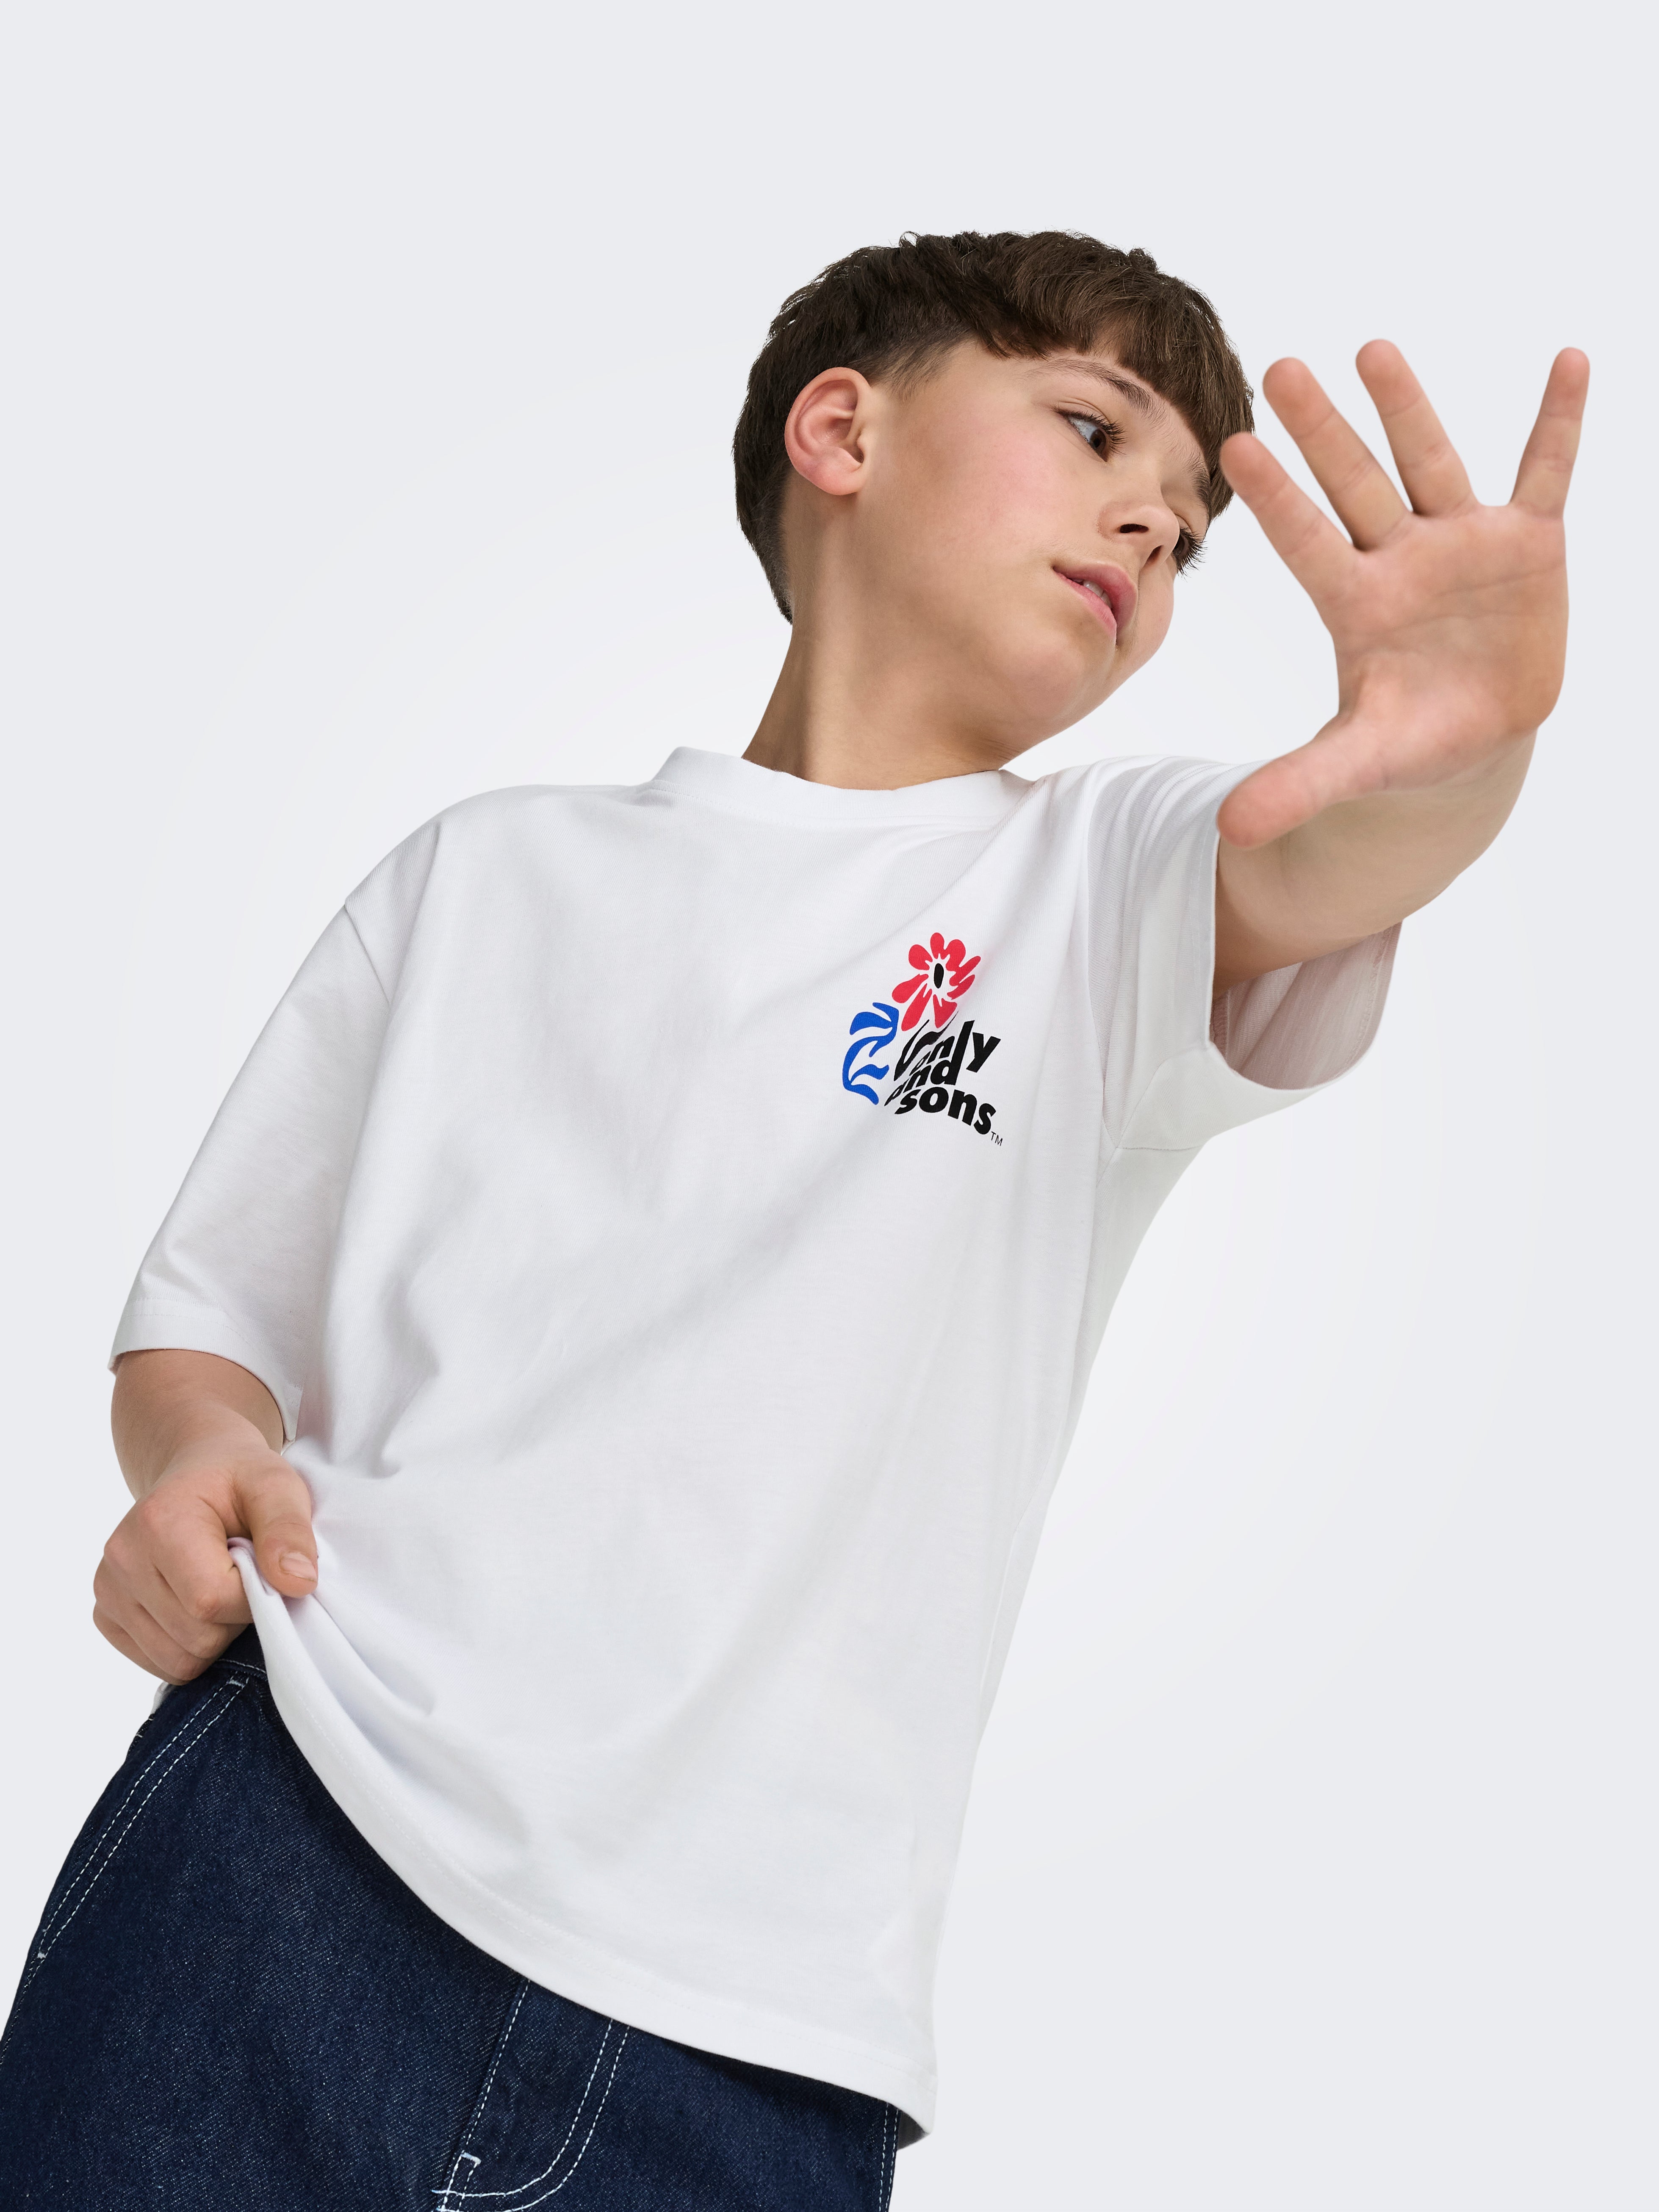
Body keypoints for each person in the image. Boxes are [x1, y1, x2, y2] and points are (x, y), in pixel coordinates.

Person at [0, 231, 1584, 2210]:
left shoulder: (1095, 885)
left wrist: (1467, 735)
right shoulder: (479, 878)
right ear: (841, 431)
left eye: (1188, 538)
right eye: (1094, 432)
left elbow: (1343, 843)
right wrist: (196, 1460)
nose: (1147, 530)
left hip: (751, 2041)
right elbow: (206, 1320)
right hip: (276, 1856)